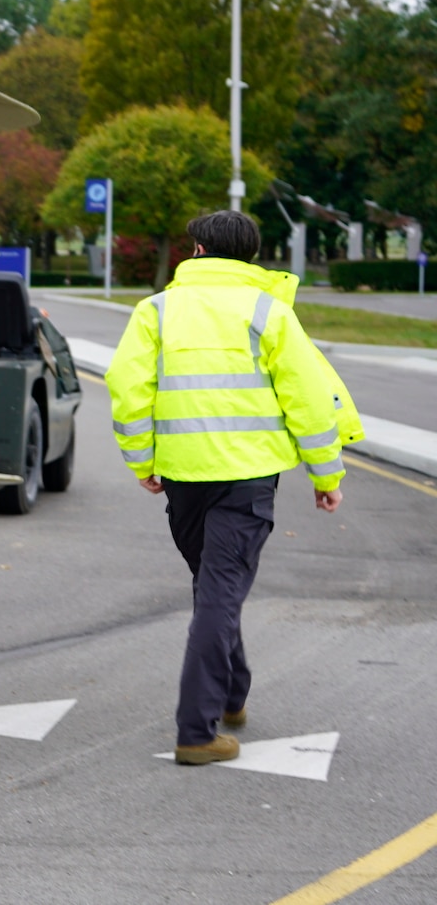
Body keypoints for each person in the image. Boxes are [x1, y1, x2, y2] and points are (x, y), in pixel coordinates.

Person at [105, 210, 363, 766]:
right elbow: (308, 396)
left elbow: (128, 387)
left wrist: (140, 461)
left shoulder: (156, 309)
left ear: (196, 250)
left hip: (182, 478)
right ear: (251, 256)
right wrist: (326, 473)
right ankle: (197, 733)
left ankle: (231, 693)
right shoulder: (269, 312)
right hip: (247, 478)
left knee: (214, 586)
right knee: (219, 590)